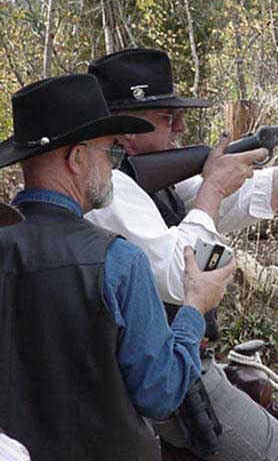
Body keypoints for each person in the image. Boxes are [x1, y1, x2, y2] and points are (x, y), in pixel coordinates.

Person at [0, 74, 235, 461]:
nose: (115, 165)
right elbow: (159, 393)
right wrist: (195, 308)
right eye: (110, 152)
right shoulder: (118, 261)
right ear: (77, 158)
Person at [85, 48, 278, 307]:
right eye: (168, 116)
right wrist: (212, 188)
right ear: (126, 128)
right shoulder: (107, 189)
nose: (181, 126)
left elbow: (245, 199)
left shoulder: (148, 177)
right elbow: (180, 280)